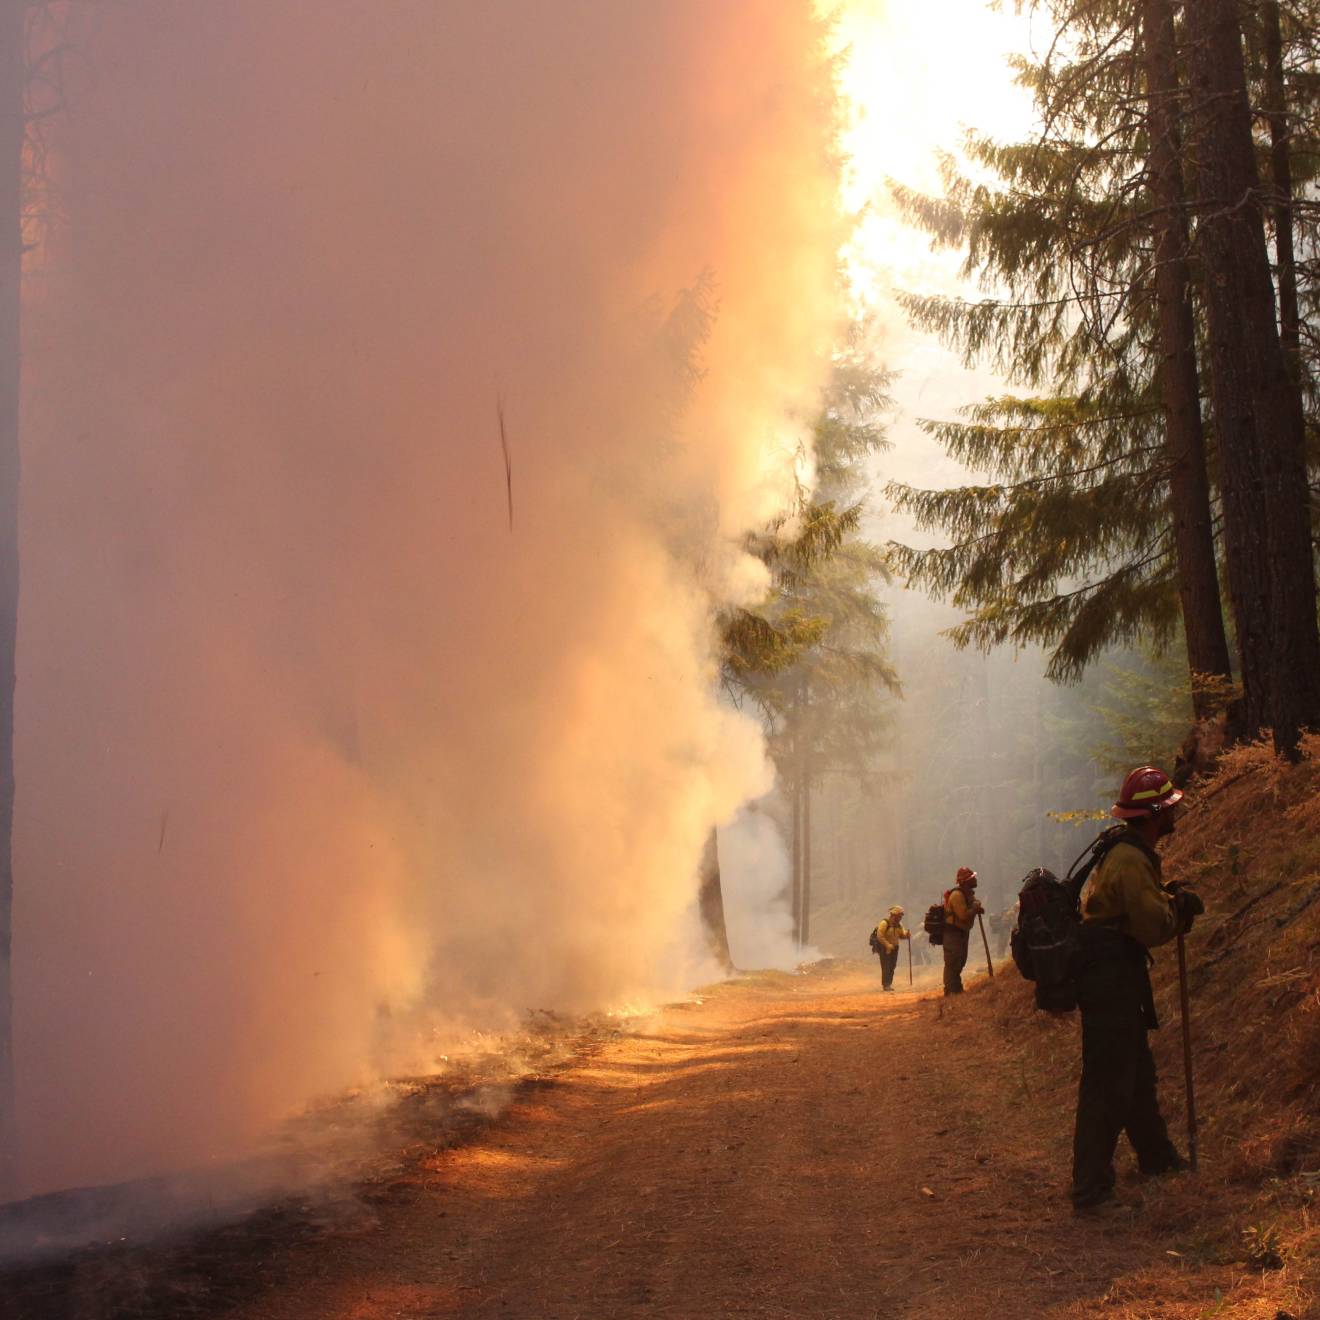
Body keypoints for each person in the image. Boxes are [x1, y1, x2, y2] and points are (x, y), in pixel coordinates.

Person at [1071, 765, 1204, 1213]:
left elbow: (1133, 907)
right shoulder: (1129, 858)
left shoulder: (1129, 852)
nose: (1173, 813)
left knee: (1136, 1074)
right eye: (1168, 808)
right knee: (1109, 1083)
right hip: (1110, 977)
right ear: (1153, 815)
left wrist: (1167, 895)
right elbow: (1150, 926)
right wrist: (1178, 912)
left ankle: (1156, 1158)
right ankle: (1091, 1191)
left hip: (1114, 973)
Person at [942, 866, 983, 995]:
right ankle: (952, 990)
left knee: (960, 960)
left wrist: (976, 907)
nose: (975, 879)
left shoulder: (967, 893)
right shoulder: (957, 895)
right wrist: (975, 909)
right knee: (953, 961)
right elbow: (963, 915)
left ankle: (955, 988)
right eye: (972, 878)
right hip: (953, 933)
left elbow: (974, 903)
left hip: (961, 933)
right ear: (965, 881)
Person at [874, 905, 909, 992]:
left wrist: (906, 935)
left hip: (895, 948)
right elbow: (880, 936)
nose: (900, 917)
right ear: (894, 915)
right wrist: (887, 945)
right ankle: (886, 985)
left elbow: (902, 935)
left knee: (892, 966)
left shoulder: (899, 925)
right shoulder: (884, 923)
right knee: (886, 966)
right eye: (899, 915)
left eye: (901, 916)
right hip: (884, 948)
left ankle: (889, 983)